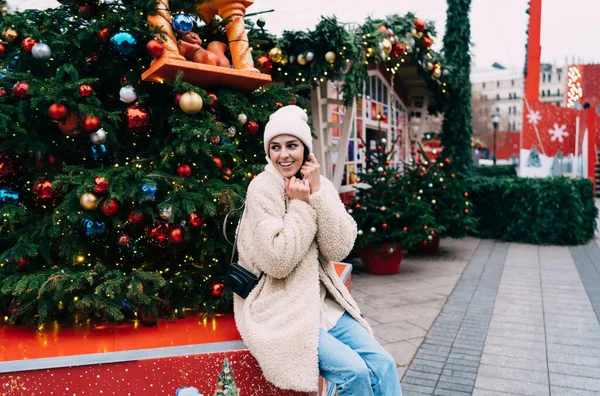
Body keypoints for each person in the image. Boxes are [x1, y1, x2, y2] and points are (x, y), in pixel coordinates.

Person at [233, 105, 402, 395]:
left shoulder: (318, 184)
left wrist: (318, 194)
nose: (284, 154)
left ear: (305, 149)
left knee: (384, 364)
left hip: (322, 305)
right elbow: (277, 261)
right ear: (267, 151)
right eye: (275, 147)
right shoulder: (262, 189)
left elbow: (340, 246)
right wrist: (300, 204)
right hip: (280, 306)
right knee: (355, 373)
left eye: (291, 145)